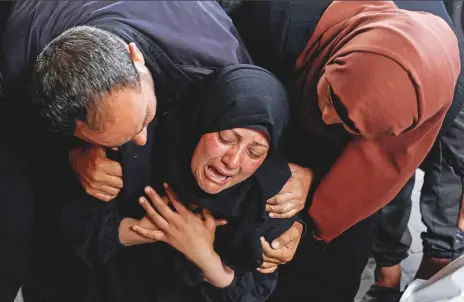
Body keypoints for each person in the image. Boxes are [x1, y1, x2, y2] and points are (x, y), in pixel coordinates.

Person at [0, 1, 304, 299]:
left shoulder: (215, 71)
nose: (142, 140)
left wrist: (305, 187)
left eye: (146, 118)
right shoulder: (20, 72)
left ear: (136, 58)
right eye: (116, 140)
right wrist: (73, 156)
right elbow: (70, 218)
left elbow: (257, 112)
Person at [229, 1, 462, 301]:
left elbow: (378, 170)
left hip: (356, 144)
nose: (326, 117)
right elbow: (235, 104)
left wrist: (316, 181)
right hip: (287, 86)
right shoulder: (280, 16)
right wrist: (278, 170)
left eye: (348, 120)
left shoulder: (435, 103)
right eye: (333, 96)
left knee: (332, 267)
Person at [62, 64, 297, 301]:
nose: (233, 161)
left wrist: (205, 257)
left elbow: (254, 292)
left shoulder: (269, 199)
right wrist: (149, 229)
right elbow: (77, 231)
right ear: (203, 119)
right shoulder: (140, 141)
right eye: (225, 138)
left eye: (255, 153)